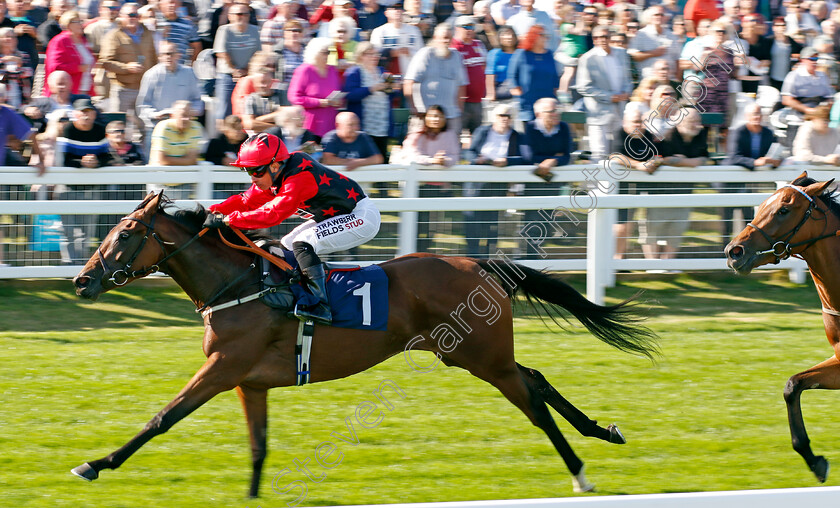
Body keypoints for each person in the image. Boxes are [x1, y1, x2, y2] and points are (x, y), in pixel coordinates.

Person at [204, 132, 382, 324]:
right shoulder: (275, 175)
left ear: (274, 165)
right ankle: (297, 297)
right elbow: (245, 202)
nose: (252, 179)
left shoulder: (298, 177)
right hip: (339, 216)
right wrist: (212, 211)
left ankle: (320, 307)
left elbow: (272, 215)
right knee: (286, 245)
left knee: (302, 243)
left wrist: (229, 221)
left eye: (255, 171)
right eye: (247, 171)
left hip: (360, 217)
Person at [464, 103, 529, 258]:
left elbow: (524, 158)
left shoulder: (516, 136)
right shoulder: (483, 131)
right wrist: (477, 159)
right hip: (477, 181)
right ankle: (472, 256)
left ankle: (487, 258)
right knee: (472, 218)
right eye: (501, 115)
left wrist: (507, 161)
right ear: (494, 117)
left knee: (491, 221)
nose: (505, 119)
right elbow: (468, 152)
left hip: (498, 183)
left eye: (508, 116)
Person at [55, 98, 109, 264]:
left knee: (86, 231)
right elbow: (64, 160)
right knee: (68, 230)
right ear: (75, 114)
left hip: (92, 189)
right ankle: (69, 265)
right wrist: (83, 163)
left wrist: (96, 162)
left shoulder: (100, 130)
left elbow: (106, 157)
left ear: (94, 114)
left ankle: (80, 266)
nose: (86, 116)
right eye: (82, 112)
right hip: (68, 188)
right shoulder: (68, 130)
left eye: (89, 112)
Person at [723, 103, 779, 247]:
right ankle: (722, 250)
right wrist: (756, 162)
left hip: (749, 183)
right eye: (754, 114)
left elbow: (773, 153)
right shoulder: (738, 132)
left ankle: (746, 247)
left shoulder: (767, 133)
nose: (757, 117)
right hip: (729, 182)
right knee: (727, 219)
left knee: (748, 217)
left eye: (759, 114)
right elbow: (734, 157)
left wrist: (774, 161)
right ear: (746, 117)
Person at [522, 97, 572, 258]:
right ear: (538, 114)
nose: (556, 114)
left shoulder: (563, 127)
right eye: (551, 111)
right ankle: (529, 255)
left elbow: (567, 155)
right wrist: (552, 158)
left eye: (557, 110)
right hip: (533, 181)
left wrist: (553, 161)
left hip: (553, 180)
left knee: (547, 218)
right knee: (531, 217)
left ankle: (536, 255)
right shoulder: (530, 128)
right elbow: (529, 156)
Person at [136, 41, 204, 155]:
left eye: (171, 53)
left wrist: (189, 111)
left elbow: (198, 101)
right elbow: (142, 105)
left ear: (179, 55)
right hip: (157, 127)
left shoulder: (189, 73)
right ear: (159, 57)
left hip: (183, 129)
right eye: (164, 54)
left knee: (184, 166)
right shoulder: (151, 75)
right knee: (154, 167)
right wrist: (155, 114)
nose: (168, 57)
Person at [98, 2, 156, 135]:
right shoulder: (113, 35)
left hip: (143, 88)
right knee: (117, 126)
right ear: (121, 16)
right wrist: (126, 68)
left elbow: (153, 58)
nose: (133, 18)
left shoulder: (147, 34)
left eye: (136, 15)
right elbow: (105, 62)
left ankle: (140, 154)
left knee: (143, 126)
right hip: (122, 89)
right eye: (130, 15)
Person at [576, 25, 633, 161]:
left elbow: (628, 78)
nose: (602, 39)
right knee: (599, 155)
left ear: (610, 37)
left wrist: (626, 92)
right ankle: (597, 183)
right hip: (598, 113)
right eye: (598, 37)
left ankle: (616, 183)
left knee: (618, 152)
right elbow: (583, 86)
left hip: (620, 111)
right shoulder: (587, 58)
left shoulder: (621, 53)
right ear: (594, 39)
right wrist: (610, 97)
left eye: (605, 36)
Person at [404, 24, 469, 136]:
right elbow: (409, 82)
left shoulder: (457, 56)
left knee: (452, 148)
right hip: (426, 115)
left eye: (448, 37)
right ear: (435, 38)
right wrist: (415, 108)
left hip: (451, 115)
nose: (445, 41)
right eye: (443, 37)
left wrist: (459, 109)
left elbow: (461, 85)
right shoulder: (425, 54)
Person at [342, 42, 393, 159]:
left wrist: (392, 89)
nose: (374, 57)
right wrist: (371, 89)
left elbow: (389, 97)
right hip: (364, 126)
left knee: (381, 159)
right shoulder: (354, 72)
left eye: (376, 54)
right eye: (370, 54)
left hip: (382, 125)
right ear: (361, 56)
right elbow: (349, 95)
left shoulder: (381, 71)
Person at [288, 37, 343, 143]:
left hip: (330, 125)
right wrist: (319, 102)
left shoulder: (332, 70)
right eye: (325, 52)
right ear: (315, 53)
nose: (328, 55)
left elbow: (337, 91)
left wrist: (338, 100)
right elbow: (294, 97)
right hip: (309, 126)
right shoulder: (304, 70)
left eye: (329, 52)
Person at [213, 2, 260, 123]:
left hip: (247, 75)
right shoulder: (224, 30)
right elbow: (221, 52)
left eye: (245, 14)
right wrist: (234, 70)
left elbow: (257, 54)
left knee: (248, 109)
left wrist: (246, 70)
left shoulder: (255, 30)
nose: (242, 17)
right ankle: (222, 137)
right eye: (238, 14)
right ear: (230, 16)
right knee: (224, 110)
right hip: (227, 76)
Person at [507, 24, 560, 127]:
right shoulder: (522, 54)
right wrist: (516, 90)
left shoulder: (549, 54)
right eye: (542, 35)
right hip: (528, 101)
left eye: (547, 36)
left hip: (546, 101)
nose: (546, 39)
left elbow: (554, 76)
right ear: (534, 36)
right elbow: (512, 75)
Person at [44, 10, 95, 96]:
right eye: (77, 22)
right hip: (66, 92)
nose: (81, 25)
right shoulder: (59, 41)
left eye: (81, 21)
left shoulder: (83, 40)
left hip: (85, 89)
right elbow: (54, 66)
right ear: (68, 24)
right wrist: (78, 68)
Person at [450, 16, 486, 135]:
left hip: (477, 101)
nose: (470, 30)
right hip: (461, 102)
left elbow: (484, 66)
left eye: (472, 27)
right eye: (466, 27)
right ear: (457, 28)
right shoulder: (453, 47)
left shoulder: (478, 44)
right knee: (456, 136)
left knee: (477, 136)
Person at [370, 3, 424, 76]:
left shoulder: (414, 30)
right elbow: (374, 55)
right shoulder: (379, 31)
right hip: (388, 75)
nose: (397, 11)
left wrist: (409, 52)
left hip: (410, 74)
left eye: (399, 8)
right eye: (393, 9)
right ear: (386, 13)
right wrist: (391, 53)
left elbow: (422, 53)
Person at [149, 100, 204, 168]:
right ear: (173, 115)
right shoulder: (163, 127)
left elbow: (192, 160)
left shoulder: (196, 127)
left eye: (189, 116)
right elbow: (161, 160)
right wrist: (187, 161)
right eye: (183, 115)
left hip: (185, 174)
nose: (186, 119)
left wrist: (170, 160)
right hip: (160, 173)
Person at [321, 111, 385, 170]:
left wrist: (358, 162)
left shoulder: (363, 137)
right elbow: (328, 159)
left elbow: (378, 158)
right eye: (350, 125)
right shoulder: (331, 138)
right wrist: (349, 162)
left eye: (357, 124)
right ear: (338, 125)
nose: (356, 128)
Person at [0, 27, 32, 109]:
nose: (9, 39)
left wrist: (19, 63)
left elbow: (28, 74)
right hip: (2, 101)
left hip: (20, 100)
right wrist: (4, 61)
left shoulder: (23, 56)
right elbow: (1, 78)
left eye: (13, 37)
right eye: (6, 36)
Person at [485, 25, 518, 102]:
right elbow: (490, 74)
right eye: (505, 34)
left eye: (512, 34)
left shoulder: (520, 53)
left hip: (517, 90)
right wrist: (491, 94)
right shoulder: (494, 53)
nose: (509, 37)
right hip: (501, 90)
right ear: (500, 37)